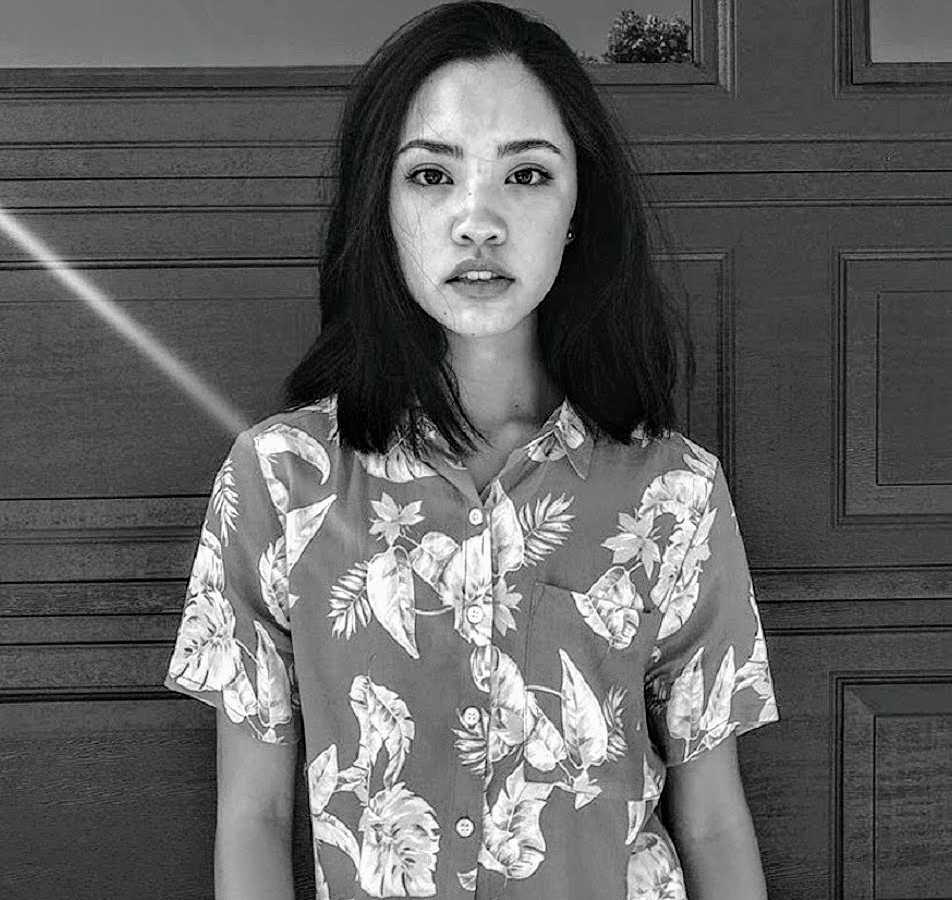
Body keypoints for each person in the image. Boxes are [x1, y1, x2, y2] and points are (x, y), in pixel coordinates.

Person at [163, 2, 781, 898]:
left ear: (578, 208)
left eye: (527, 174)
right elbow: (254, 819)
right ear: (381, 205)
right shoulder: (278, 482)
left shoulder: (674, 492)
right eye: (430, 176)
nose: (478, 219)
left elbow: (716, 818)